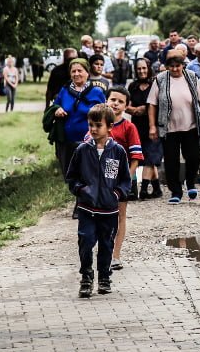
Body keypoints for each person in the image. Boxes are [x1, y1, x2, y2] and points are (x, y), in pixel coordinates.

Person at [65, 103, 131, 298]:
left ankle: (104, 277)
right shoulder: (82, 150)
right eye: (90, 125)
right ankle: (86, 277)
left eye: (98, 125)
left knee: (106, 245)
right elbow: (71, 177)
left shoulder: (118, 152)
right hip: (87, 209)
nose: (93, 129)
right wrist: (81, 190)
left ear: (110, 126)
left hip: (109, 211)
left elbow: (125, 180)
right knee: (85, 242)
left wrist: (116, 194)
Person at [147, 52, 200, 204]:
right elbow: (152, 104)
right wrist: (152, 126)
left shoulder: (192, 77)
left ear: (183, 65)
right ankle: (175, 191)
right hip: (169, 128)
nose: (175, 69)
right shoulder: (160, 79)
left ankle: (190, 182)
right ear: (167, 67)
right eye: (172, 66)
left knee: (194, 156)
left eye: (178, 66)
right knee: (171, 161)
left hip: (191, 126)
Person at [101, 86, 143, 272]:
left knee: (120, 216)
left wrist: (128, 179)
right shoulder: (98, 125)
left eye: (120, 101)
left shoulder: (129, 127)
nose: (116, 104)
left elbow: (136, 157)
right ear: (106, 101)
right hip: (100, 180)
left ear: (127, 106)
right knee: (101, 216)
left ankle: (115, 256)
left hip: (121, 180)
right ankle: (103, 252)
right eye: (113, 100)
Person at [53, 58, 107, 179]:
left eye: (80, 70)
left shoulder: (97, 92)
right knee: (70, 175)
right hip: (67, 141)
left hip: (90, 141)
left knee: (89, 174)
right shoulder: (64, 90)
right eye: (73, 71)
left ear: (87, 73)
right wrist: (57, 110)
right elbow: (55, 106)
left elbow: (106, 115)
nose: (76, 74)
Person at [127, 58, 163, 200]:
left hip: (153, 125)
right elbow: (126, 106)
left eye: (144, 68)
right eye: (139, 68)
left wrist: (147, 109)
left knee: (151, 157)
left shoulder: (155, 84)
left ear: (148, 69)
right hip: (137, 126)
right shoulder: (133, 86)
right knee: (143, 156)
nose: (141, 71)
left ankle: (143, 189)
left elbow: (159, 104)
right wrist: (137, 110)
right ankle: (157, 189)